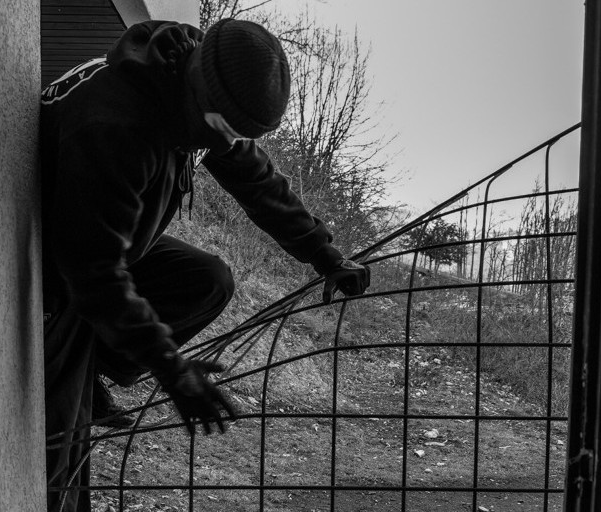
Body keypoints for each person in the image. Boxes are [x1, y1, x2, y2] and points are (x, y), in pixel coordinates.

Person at [40, 18, 370, 512]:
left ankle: (97, 369)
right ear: (199, 94)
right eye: (223, 130)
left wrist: (326, 255)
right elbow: (92, 271)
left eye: (238, 136)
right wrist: (172, 370)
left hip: (103, 248)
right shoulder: (116, 125)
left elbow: (258, 183)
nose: (224, 146)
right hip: (56, 275)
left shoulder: (193, 89)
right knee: (60, 443)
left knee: (205, 279)